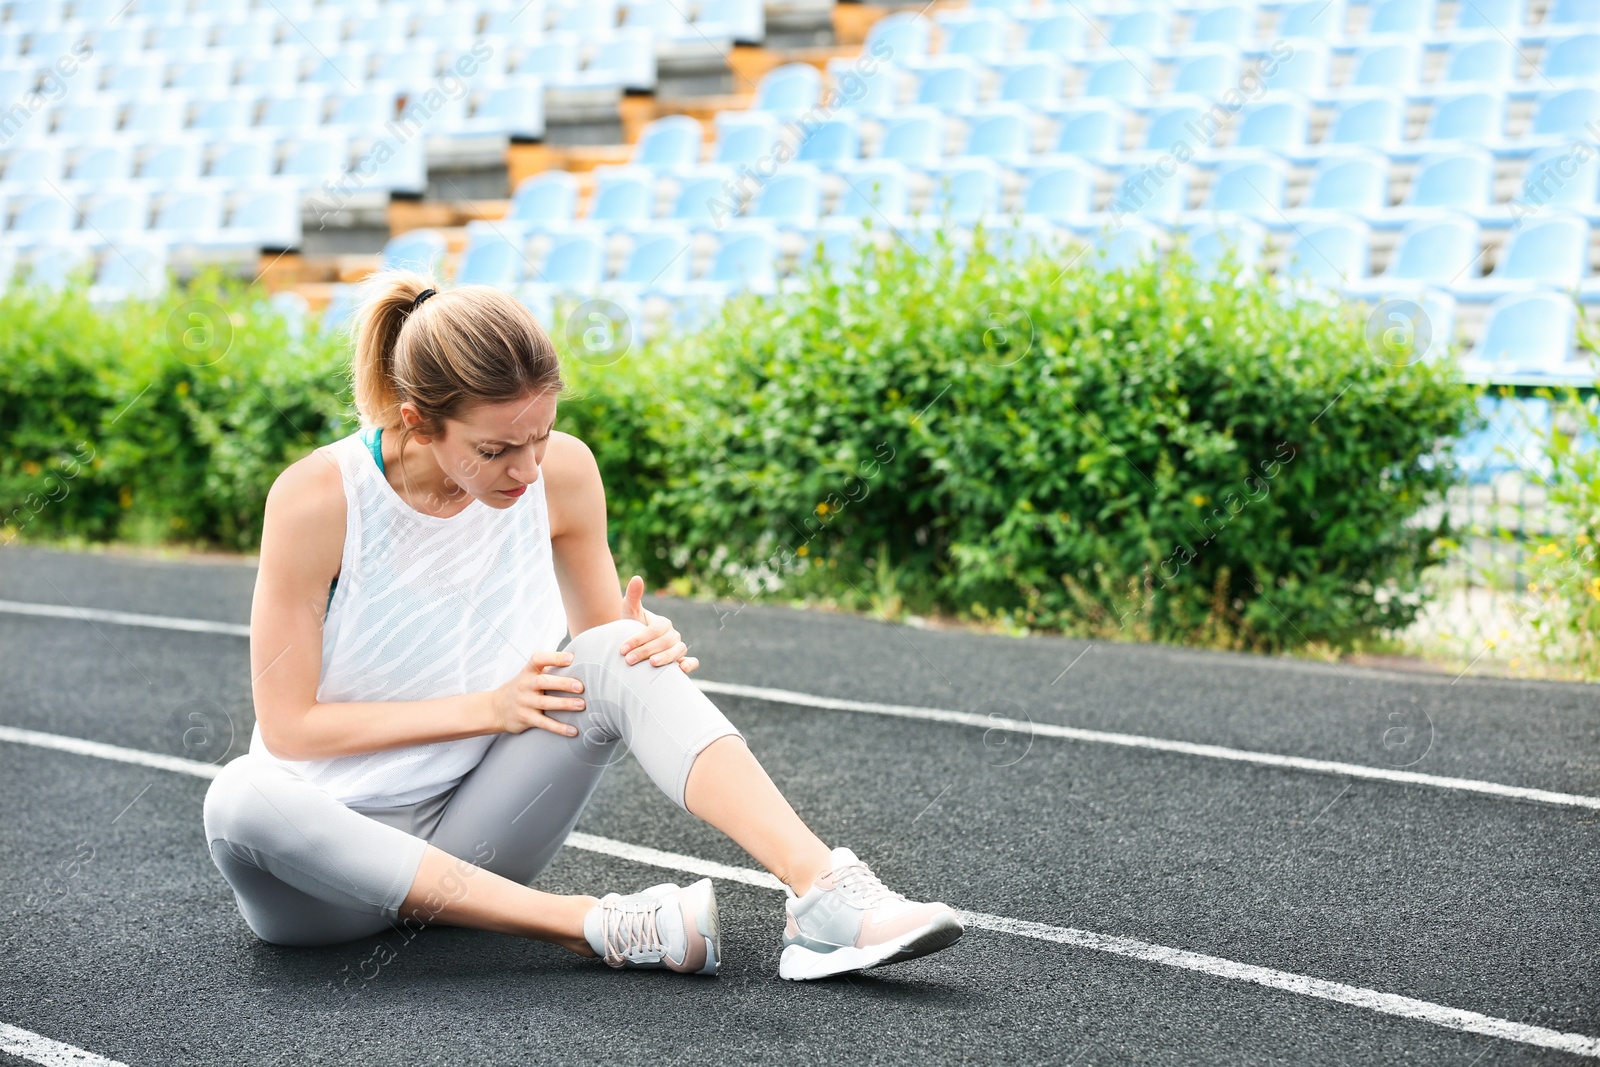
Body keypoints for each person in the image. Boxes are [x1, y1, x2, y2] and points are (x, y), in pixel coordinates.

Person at [201, 270, 964, 981]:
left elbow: (605, 646)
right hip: (322, 880)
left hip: (477, 842)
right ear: (418, 422)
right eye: (495, 449)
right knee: (237, 795)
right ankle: (590, 923)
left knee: (613, 654)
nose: (526, 470)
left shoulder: (562, 473)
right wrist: (486, 708)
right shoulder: (318, 497)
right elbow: (291, 725)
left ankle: (825, 895)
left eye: (540, 436)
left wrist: (643, 642)